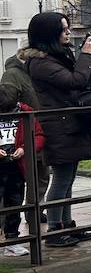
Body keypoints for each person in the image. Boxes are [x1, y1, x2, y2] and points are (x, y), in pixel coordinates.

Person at [20, 13, 91, 245]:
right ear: (49, 34)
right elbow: (74, 82)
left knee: (69, 179)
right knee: (62, 179)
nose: (67, 33)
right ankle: (55, 231)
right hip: (59, 127)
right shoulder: (41, 63)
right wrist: (84, 55)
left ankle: (67, 225)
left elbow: (79, 78)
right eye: (63, 29)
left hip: (69, 123)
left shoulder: (56, 57)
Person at [0, 82, 40, 256]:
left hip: (16, 165)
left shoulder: (25, 111)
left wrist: (24, 147)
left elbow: (38, 135)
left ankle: (12, 239)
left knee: (15, 202)